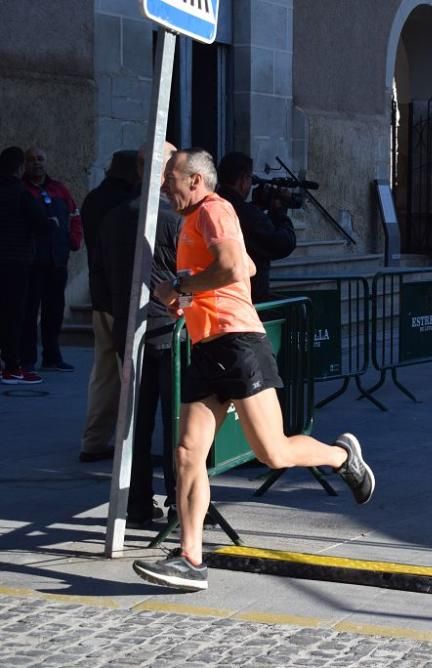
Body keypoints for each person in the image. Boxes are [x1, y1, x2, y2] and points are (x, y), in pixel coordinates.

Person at [132, 148, 374, 591]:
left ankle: (342, 457)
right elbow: (246, 264)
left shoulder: (214, 209)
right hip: (207, 346)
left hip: (239, 343)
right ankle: (190, 559)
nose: (165, 185)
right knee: (187, 454)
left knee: (272, 452)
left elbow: (229, 268)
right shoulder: (192, 220)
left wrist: (183, 285)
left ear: (195, 182)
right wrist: (186, 297)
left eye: (172, 178)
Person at [99, 142, 182, 527]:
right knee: (174, 421)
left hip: (128, 329)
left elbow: (101, 275)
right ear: (165, 173)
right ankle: (179, 503)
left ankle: (137, 505)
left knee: (136, 424)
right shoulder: (175, 220)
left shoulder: (115, 217)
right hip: (165, 330)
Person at [79, 150, 140, 463]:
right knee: (129, 377)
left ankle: (94, 440)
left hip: (100, 295)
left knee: (103, 374)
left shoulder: (94, 199)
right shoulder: (126, 205)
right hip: (120, 299)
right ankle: (130, 449)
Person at [21, 147, 82, 373]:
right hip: (32, 263)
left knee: (54, 312)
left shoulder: (59, 189)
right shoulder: (22, 190)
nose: (36, 163)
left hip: (57, 262)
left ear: (46, 162)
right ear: (25, 165)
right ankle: (26, 359)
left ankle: (52, 357)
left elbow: (75, 216)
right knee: (29, 313)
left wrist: (73, 242)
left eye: (40, 159)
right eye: (31, 160)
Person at [216, 152, 297, 303]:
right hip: (246, 301)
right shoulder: (247, 214)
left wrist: (259, 206)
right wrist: (280, 212)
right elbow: (283, 243)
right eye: (249, 178)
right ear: (242, 181)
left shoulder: (212, 205)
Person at [0, 146, 48, 385]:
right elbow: (41, 224)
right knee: (14, 315)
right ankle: (12, 366)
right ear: (20, 168)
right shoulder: (20, 193)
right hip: (16, 261)